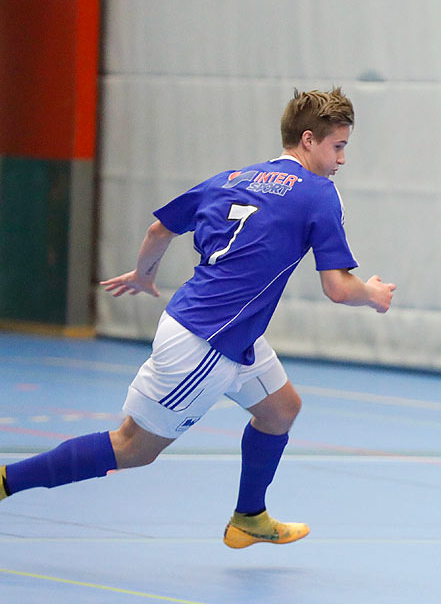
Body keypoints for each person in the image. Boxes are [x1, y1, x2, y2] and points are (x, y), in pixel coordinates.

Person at [0, 88, 396, 546]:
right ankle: (8, 480)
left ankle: (249, 517)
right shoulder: (319, 194)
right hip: (207, 342)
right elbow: (337, 286)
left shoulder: (232, 177)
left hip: (222, 329)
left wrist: (144, 275)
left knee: (281, 409)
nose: (342, 159)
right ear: (308, 140)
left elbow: (159, 228)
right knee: (132, 447)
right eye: (338, 146)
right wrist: (373, 295)